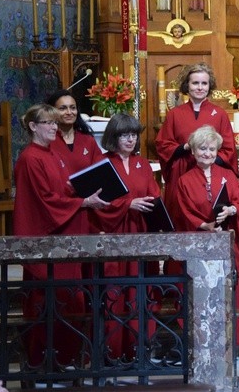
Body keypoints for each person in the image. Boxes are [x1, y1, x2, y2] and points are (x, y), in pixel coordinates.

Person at [13, 104, 109, 367]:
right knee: (51, 302)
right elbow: (45, 201)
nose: (55, 127)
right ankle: (44, 362)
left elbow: (63, 189)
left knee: (71, 301)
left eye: (56, 123)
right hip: (46, 240)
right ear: (33, 126)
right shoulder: (30, 158)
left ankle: (68, 359)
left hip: (65, 236)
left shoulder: (52, 155)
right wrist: (83, 203)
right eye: (49, 123)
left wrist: (80, 192)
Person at [93, 113, 161, 359]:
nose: (130, 139)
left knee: (141, 292)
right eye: (124, 135)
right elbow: (98, 201)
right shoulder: (102, 163)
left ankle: (140, 350)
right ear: (114, 136)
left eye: (133, 134)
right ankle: (113, 351)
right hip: (115, 235)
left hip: (141, 233)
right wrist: (127, 205)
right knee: (115, 292)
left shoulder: (142, 164)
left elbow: (154, 195)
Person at [174, 125, 239, 346]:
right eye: (202, 149)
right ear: (194, 151)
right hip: (199, 244)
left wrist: (231, 210)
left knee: (226, 290)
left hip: (224, 241)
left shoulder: (228, 175)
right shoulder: (184, 180)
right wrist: (204, 225)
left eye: (211, 149)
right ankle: (202, 340)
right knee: (202, 293)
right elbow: (183, 211)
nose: (207, 153)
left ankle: (229, 340)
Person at [155, 63, 238, 216]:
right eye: (195, 83)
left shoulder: (219, 114)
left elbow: (229, 150)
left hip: (210, 175)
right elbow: (163, 145)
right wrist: (185, 147)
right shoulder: (175, 114)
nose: (200, 87)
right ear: (187, 85)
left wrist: (208, 161)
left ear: (209, 85)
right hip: (181, 171)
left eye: (204, 83)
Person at [46, 89, 103, 173]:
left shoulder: (88, 140)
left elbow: (101, 171)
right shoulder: (47, 141)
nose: (69, 112)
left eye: (73, 108)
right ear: (52, 112)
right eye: (62, 108)